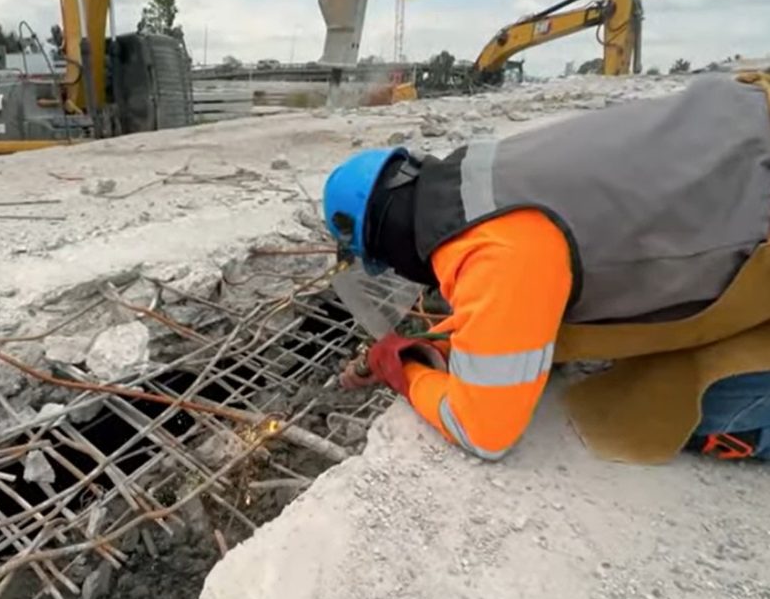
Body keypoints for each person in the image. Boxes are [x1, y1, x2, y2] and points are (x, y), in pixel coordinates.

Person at [323, 72, 770, 461]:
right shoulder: (481, 177)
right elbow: (522, 300)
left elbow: (482, 429)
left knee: (673, 408)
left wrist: (409, 371)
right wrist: (445, 344)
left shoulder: (492, 249)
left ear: (389, 244)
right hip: (745, 127)